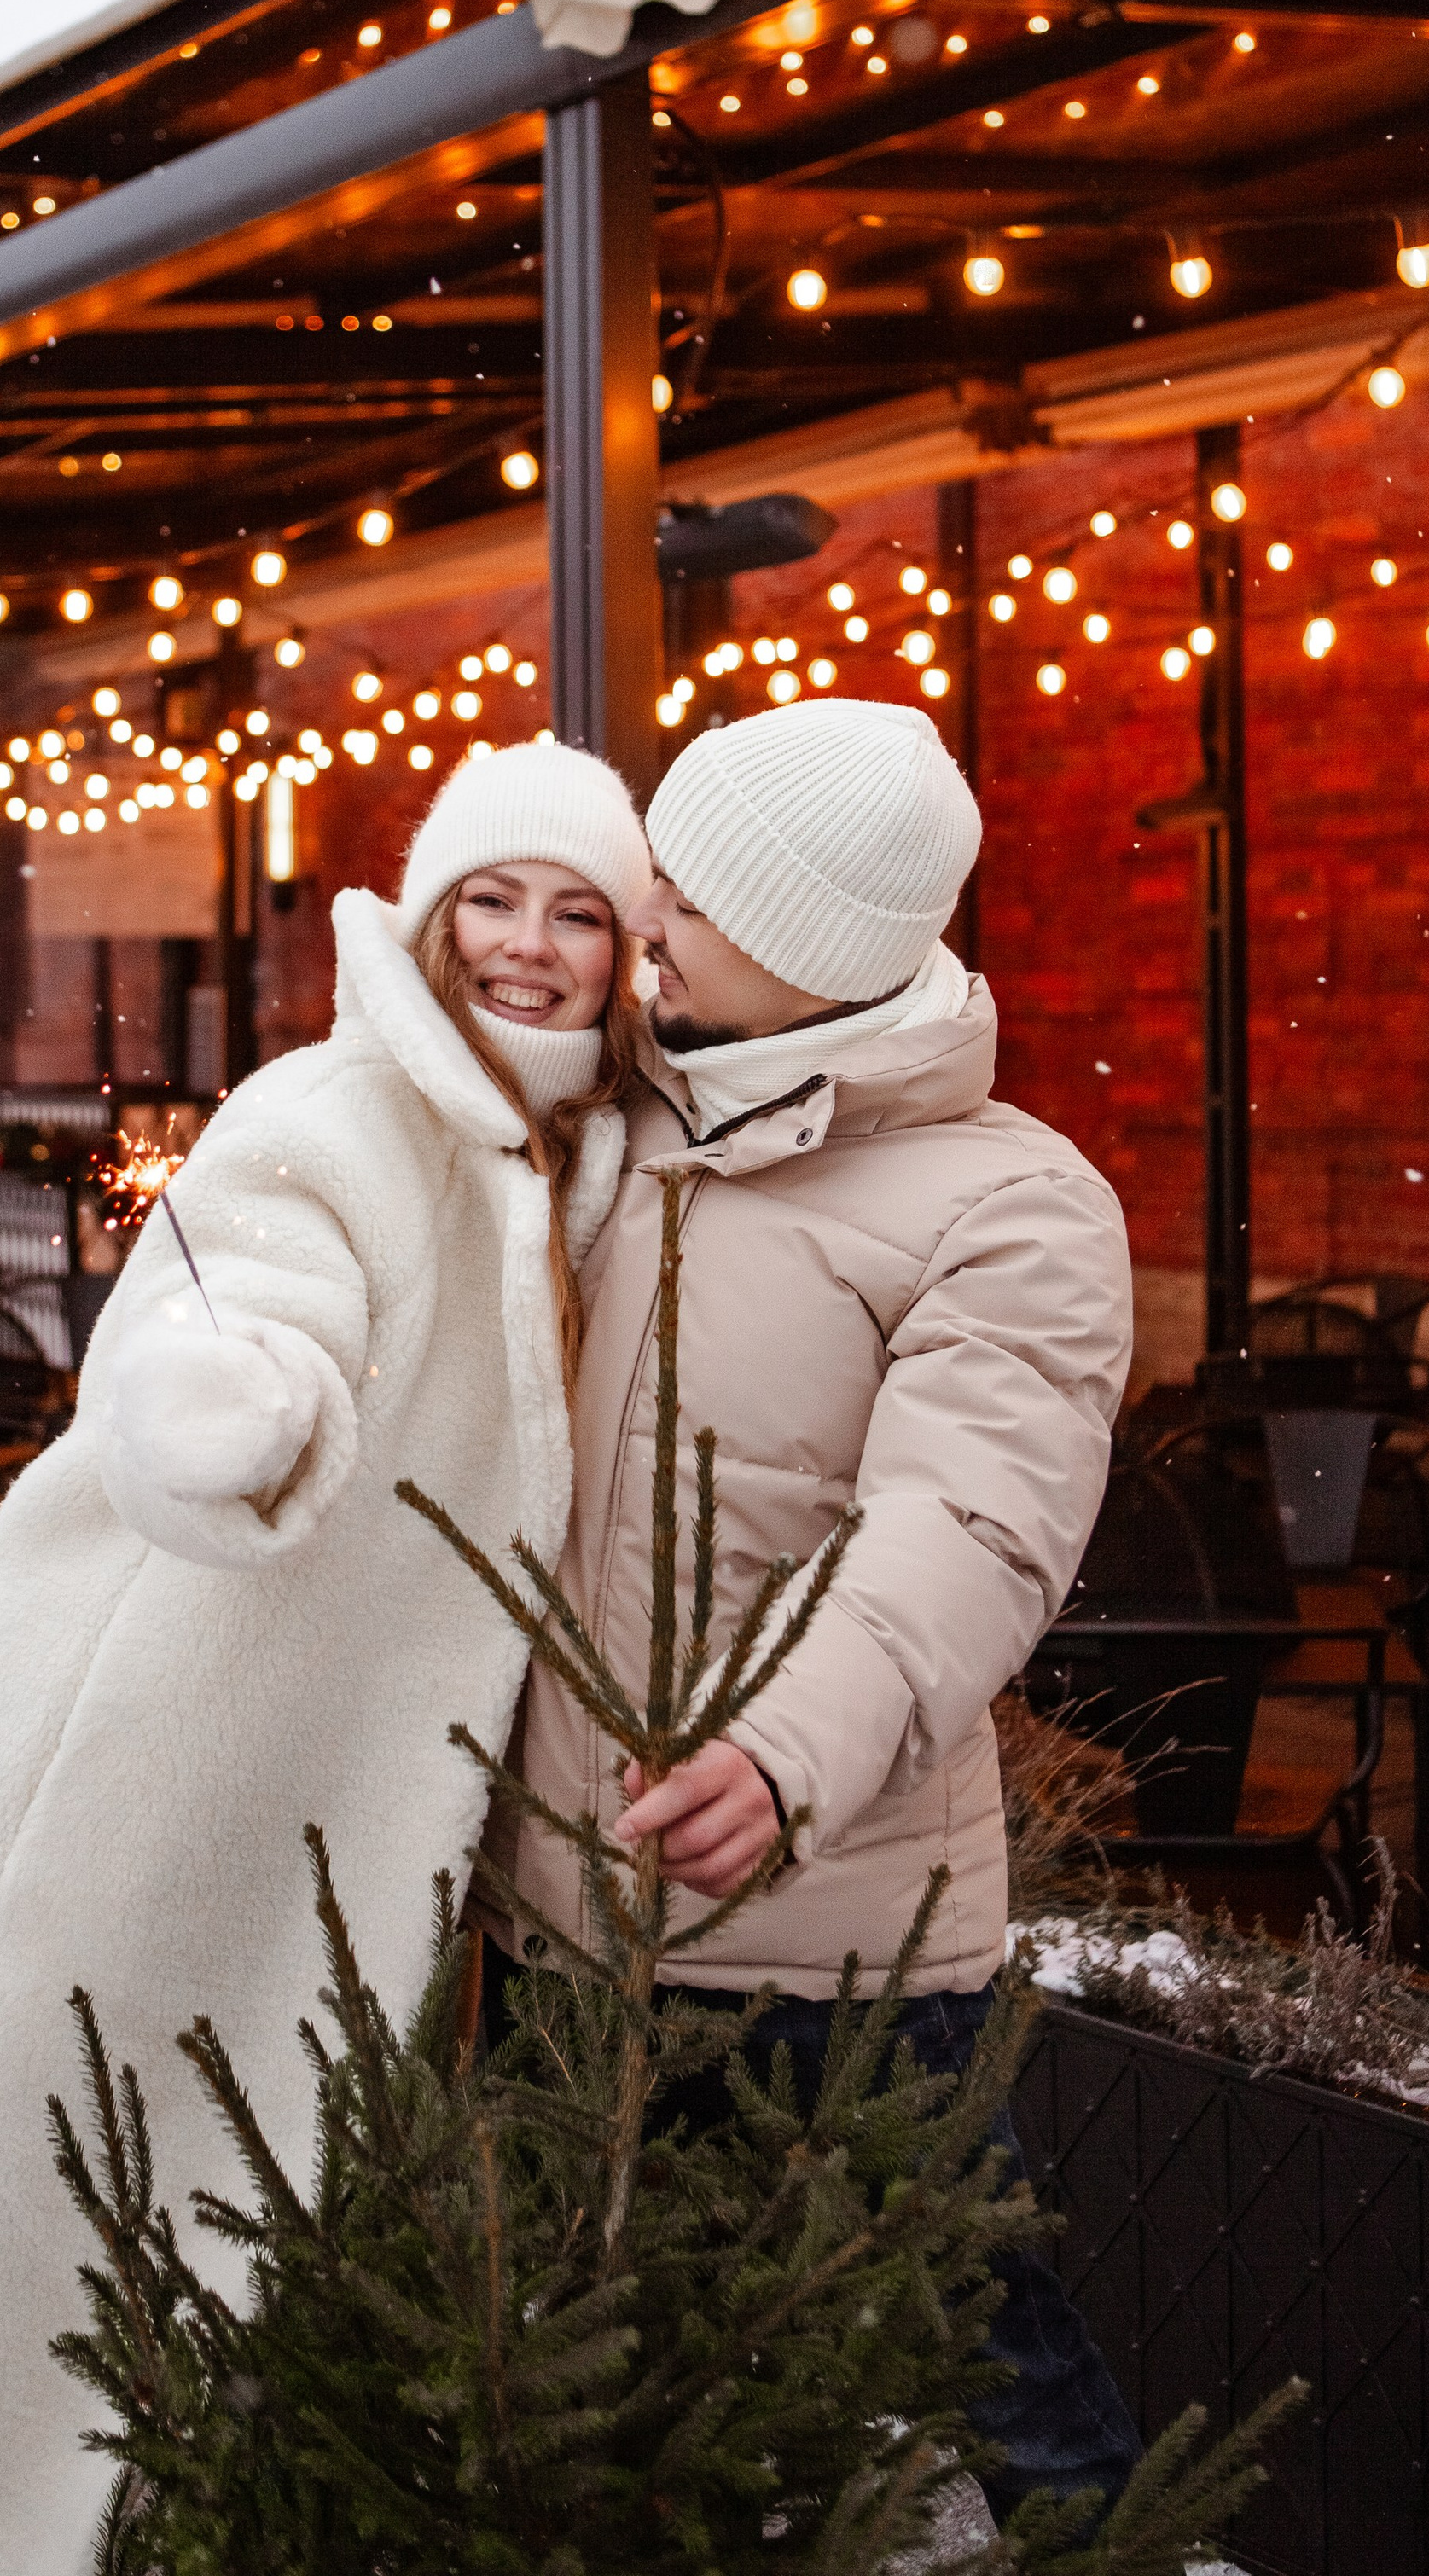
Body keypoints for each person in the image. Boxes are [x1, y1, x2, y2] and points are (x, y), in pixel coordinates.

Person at [0, 741, 652, 2576]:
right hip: (159, 1762)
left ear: (626, 957)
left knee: (169, 2268)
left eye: (576, 915)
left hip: (360, 1815)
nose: (528, 949)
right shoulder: (333, 1108)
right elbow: (256, 1286)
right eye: (490, 900)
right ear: (431, 916)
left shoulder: (593, 1164)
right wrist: (236, 1405)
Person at [491, 693, 1147, 2524]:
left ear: (807, 950)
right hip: (559, 1922)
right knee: (611, 2416)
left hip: (828, 1955)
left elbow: (965, 1528)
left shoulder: (1009, 1203)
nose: (645, 916)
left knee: (1007, 2401)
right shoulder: (616, 1123)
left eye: (689, 898)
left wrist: (783, 1752)